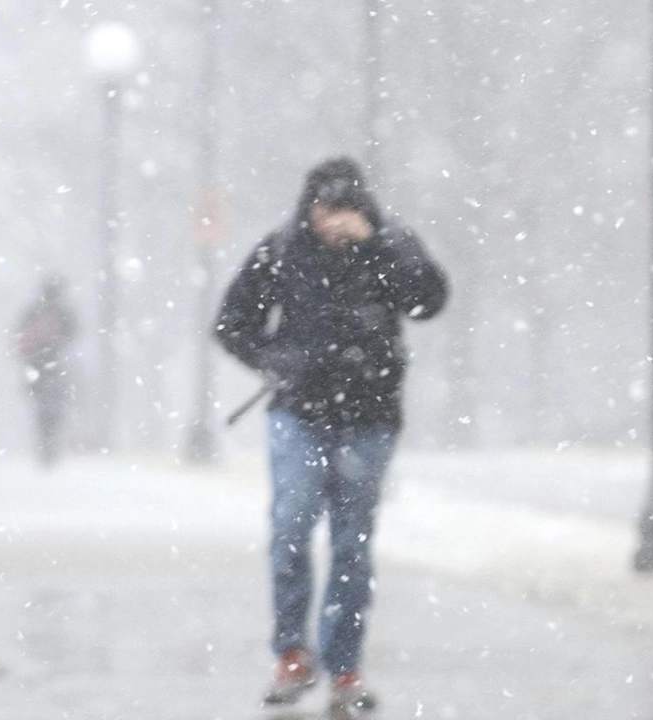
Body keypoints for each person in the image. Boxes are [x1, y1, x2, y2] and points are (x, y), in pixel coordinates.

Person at [214, 157, 449, 712]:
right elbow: (232, 322)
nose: (334, 220)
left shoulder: (389, 247)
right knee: (291, 528)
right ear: (309, 206)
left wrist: (380, 246)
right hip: (298, 415)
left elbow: (429, 300)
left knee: (352, 545)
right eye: (326, 208)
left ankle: (346, 668)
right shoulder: (281, 251)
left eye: (346, 208)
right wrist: (275, 359)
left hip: (370, 419)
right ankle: (292, 651)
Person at [15, 276, 78, 467]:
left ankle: (44, 444)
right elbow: (74, 332)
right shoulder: (61, 312)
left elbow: (19, 334)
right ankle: (49, 444)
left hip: (35, 364)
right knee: (53, 408)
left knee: (41, 408)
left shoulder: (34, 311)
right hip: (54, 363)